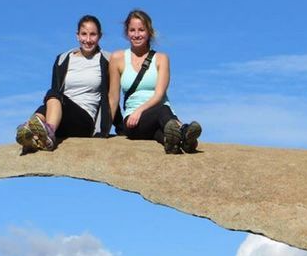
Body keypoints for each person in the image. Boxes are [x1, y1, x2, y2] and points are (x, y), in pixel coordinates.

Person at [108, 9, 201, 154]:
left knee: (163, 130)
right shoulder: (117, 58)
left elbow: (159, 95)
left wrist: (141, 109)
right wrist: (103, 130)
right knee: (163, 111)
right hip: (134, 120)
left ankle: (177, 143)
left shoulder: (161, 59)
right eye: (132, 30)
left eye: (141, 30)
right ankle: (184, 133)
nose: (137, 34)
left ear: (149, 32)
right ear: (127, 32)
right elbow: (113, 98)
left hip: (162, 117)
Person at [16, 15, 113, 152]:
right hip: (61, 118)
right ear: (77, 36)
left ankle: (46, 133)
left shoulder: (107, 60)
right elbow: (51, 101)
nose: (88, 39)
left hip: (85, 121)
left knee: (54, 94)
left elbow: (112, 96)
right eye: (84, 34)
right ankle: (31, 130)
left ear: (100, 36)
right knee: (53, 97)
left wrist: (120, 128)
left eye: (93, 35)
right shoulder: (63, 59)